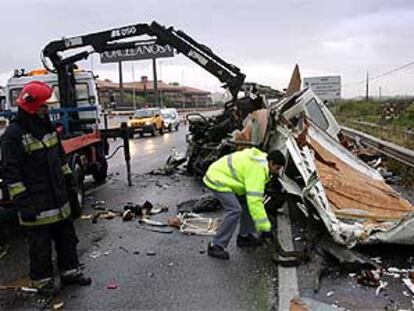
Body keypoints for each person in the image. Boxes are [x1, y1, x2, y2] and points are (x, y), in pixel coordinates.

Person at [1, 81, 91, 296]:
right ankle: (43, 282)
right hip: (36, 201)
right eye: (44, 106)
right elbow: (11, 173)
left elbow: (60, 159)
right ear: (33, 107)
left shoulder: (47, 127)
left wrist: (69, 183)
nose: (47, 109)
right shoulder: (14, 135)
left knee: (66, 237)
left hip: (57, 198)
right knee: (39, 245)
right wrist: (23, 203)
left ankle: (70, 272)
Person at [203, 147, 286, 260]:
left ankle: (245, 236)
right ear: (271, 162)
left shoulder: (262, 160)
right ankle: (216, 245)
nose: (277, 171)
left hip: (227, 178)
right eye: (277, 168)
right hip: (217, 180)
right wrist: (265, 227)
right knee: (235, 210)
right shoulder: (257, 171)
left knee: (246, 204)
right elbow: (255, 202)